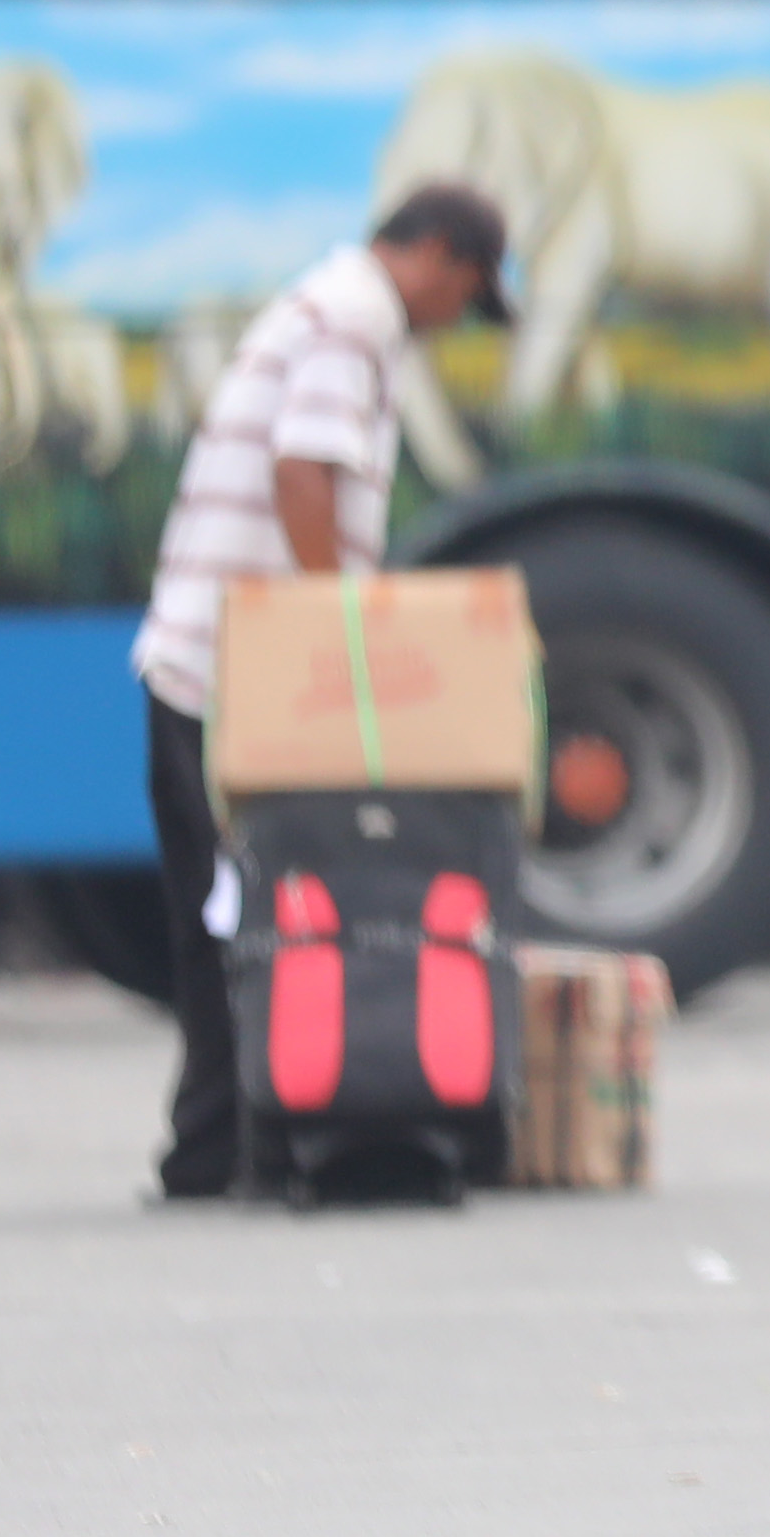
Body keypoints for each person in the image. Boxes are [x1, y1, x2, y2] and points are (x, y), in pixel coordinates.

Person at [128, 184, 518, 1200]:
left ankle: (213, 1151)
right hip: (235, 682)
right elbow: (305, 472)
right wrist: (343, 633)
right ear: (436, 255)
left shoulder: (323, 300)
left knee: (220, 916)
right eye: (463, 296)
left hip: (209, 664)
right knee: (244, 919)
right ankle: (228, 1149)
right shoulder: (355, 319)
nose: (448, 323)